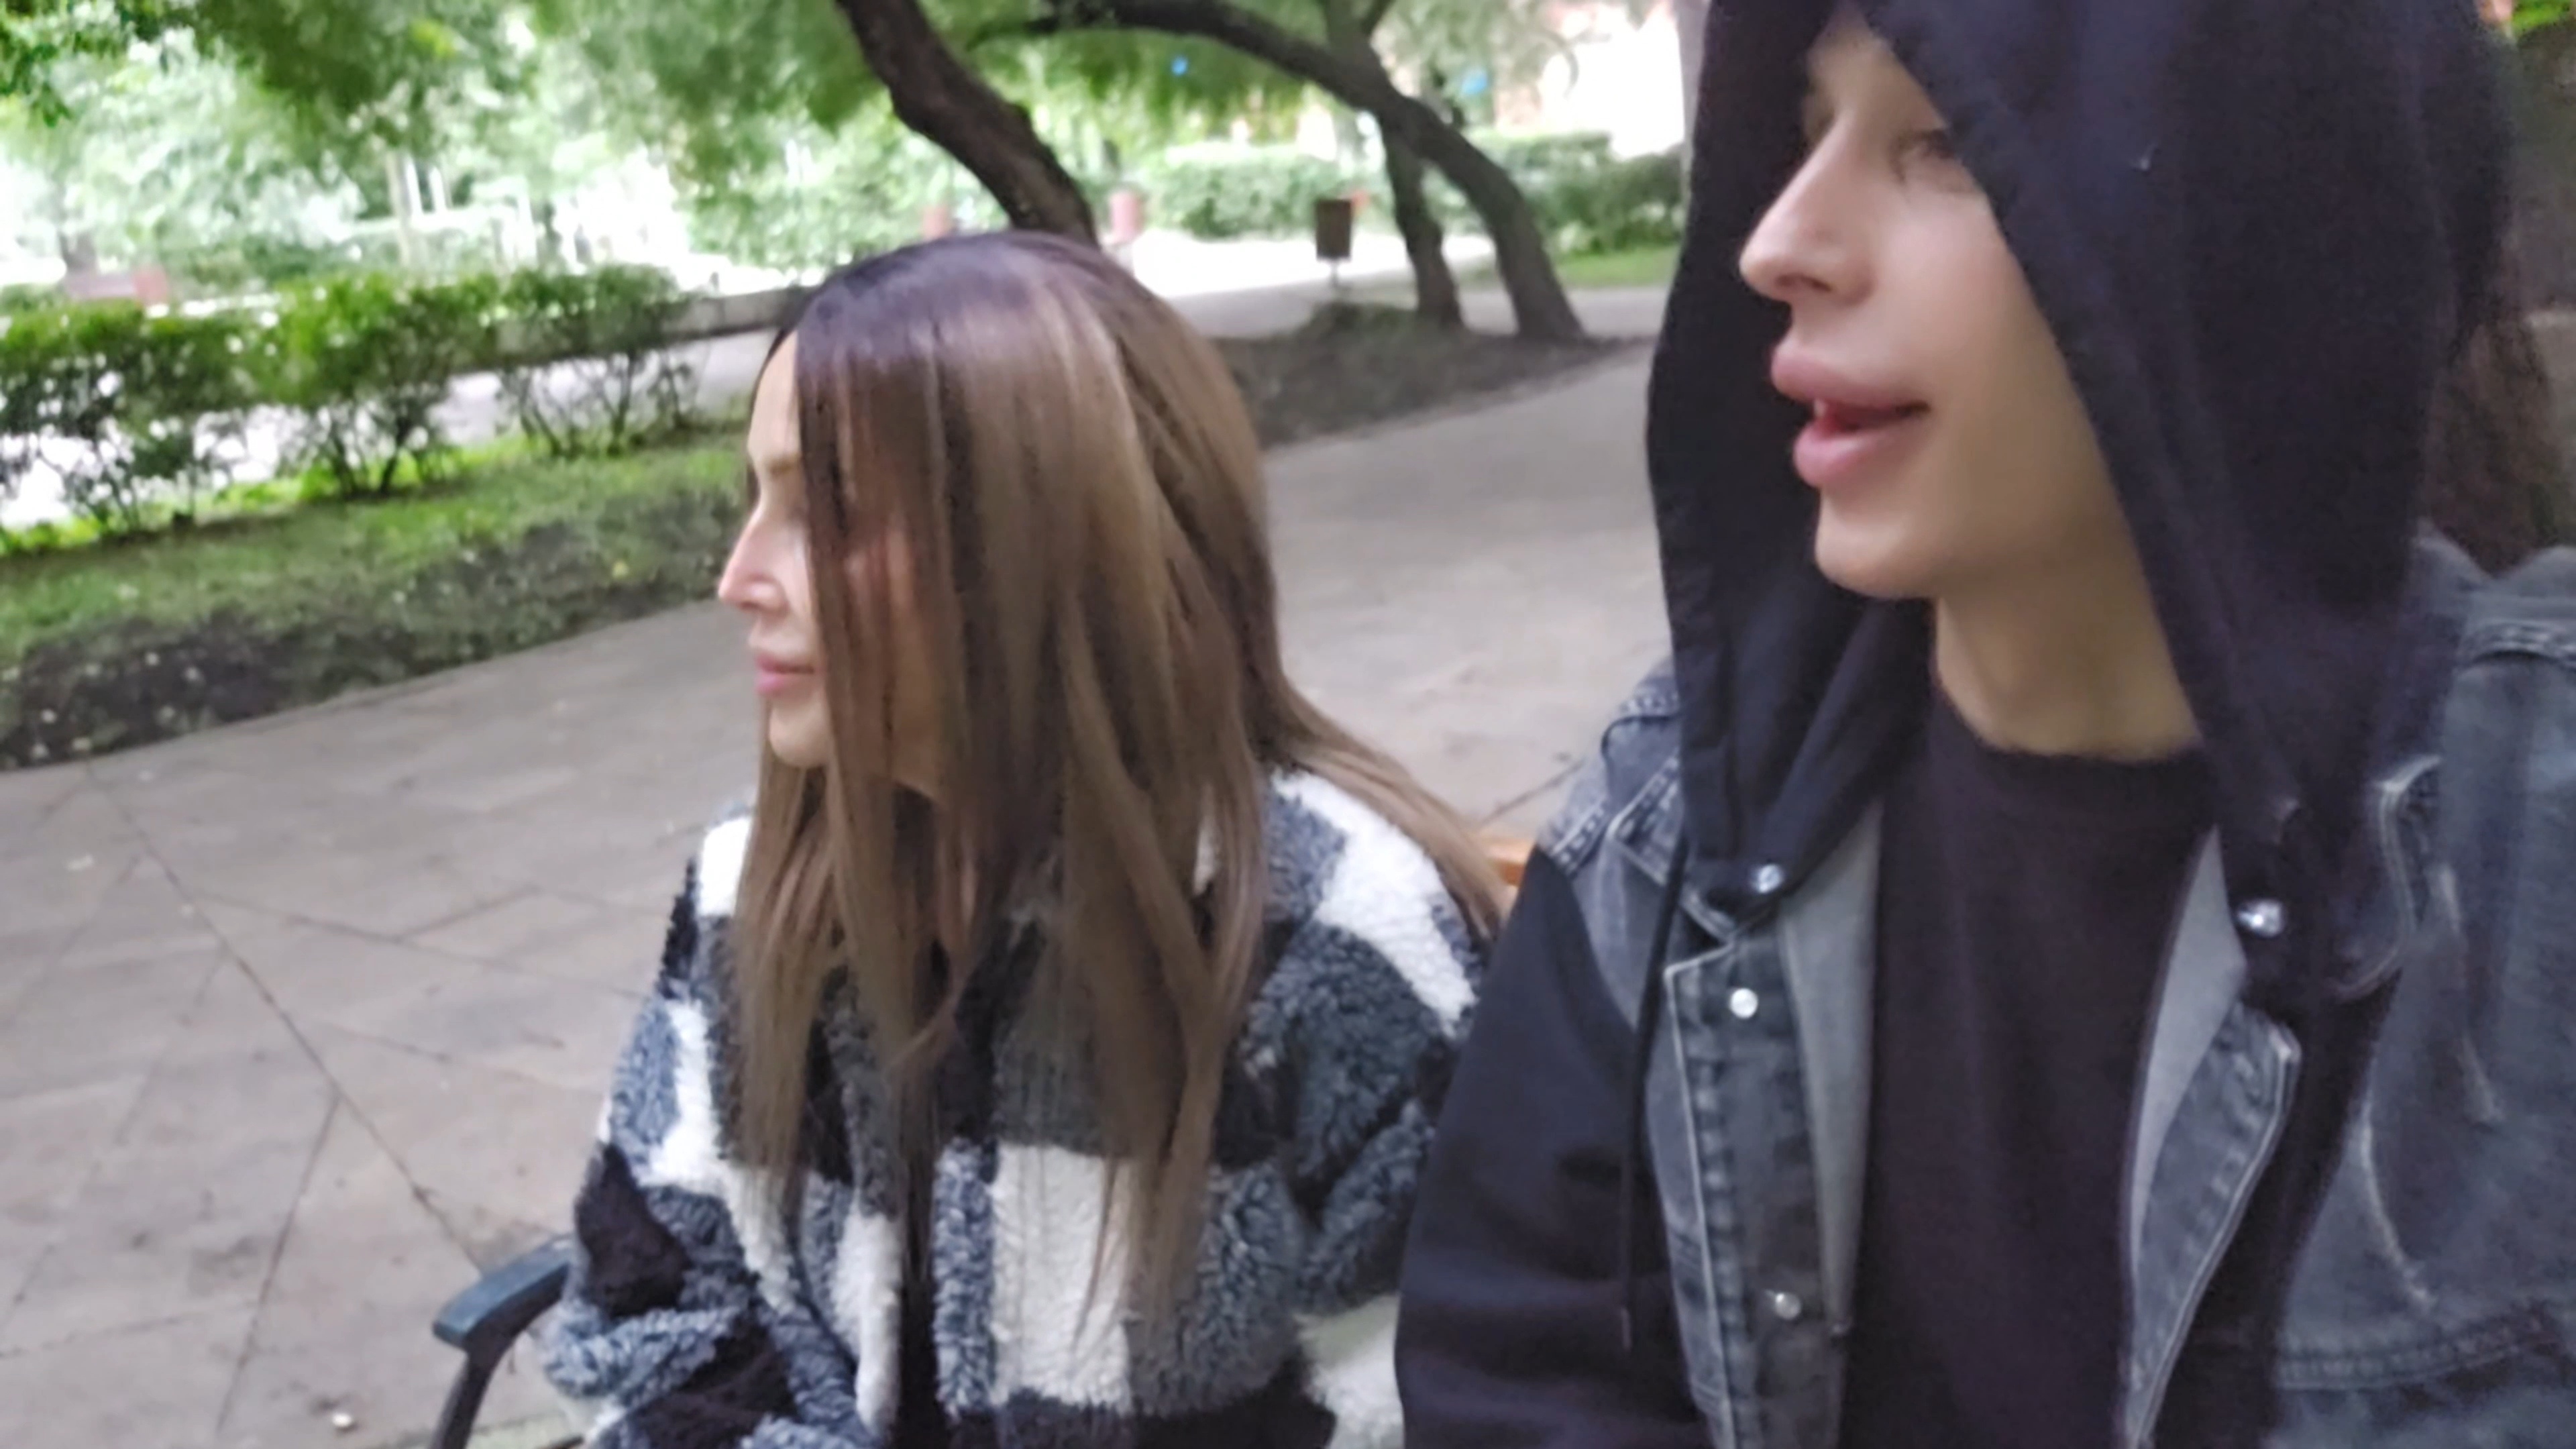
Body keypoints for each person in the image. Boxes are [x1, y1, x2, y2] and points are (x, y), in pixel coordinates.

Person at [1397, 1, 2576, 1446]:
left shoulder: (2533, 848)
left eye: (1943, 142)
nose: (1780, 242)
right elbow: (1514, 1376)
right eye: (1805, 131)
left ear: (2260, 218)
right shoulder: (1667, 835)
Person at [540, 232, 1501, 1448]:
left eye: (826, 511)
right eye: (756, 501)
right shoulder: (754, 893)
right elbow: (644, 1324)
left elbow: (1427, 1410)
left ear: (1041, 544)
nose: (739, 578)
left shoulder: (1335, 941)